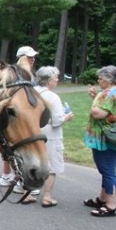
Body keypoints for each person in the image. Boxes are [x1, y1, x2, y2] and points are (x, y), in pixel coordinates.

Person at [0, 45, 41, 199]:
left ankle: (7, 175)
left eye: (33, 57)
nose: (33, 59)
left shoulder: (25, 74)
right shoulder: (17, 75)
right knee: (20, 146)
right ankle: (20, 179)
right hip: (18, 116)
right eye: (30, 57)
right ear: (21, 58)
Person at [34, 66, 74, 208]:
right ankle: (47, 196)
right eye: (56, 77)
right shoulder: (52, 96)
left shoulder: (31, 93)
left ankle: (28, 194)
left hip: (33, 134)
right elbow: (57, 120)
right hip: (50, 135)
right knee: (51, 166)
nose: (58, 80)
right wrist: (67, 116)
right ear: (50, 80)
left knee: (34, 163)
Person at [83, 65, 116, 217]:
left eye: (101, 78)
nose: (99, 80)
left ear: (109, 80)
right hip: (114, 137)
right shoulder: (114, 91)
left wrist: (96, 99)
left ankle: (110, 205)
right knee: (108, 170)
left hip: (105, 138)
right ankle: (103, 198)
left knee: (108, 171)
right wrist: (97, 96)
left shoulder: (109, 92)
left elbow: (98, 113)